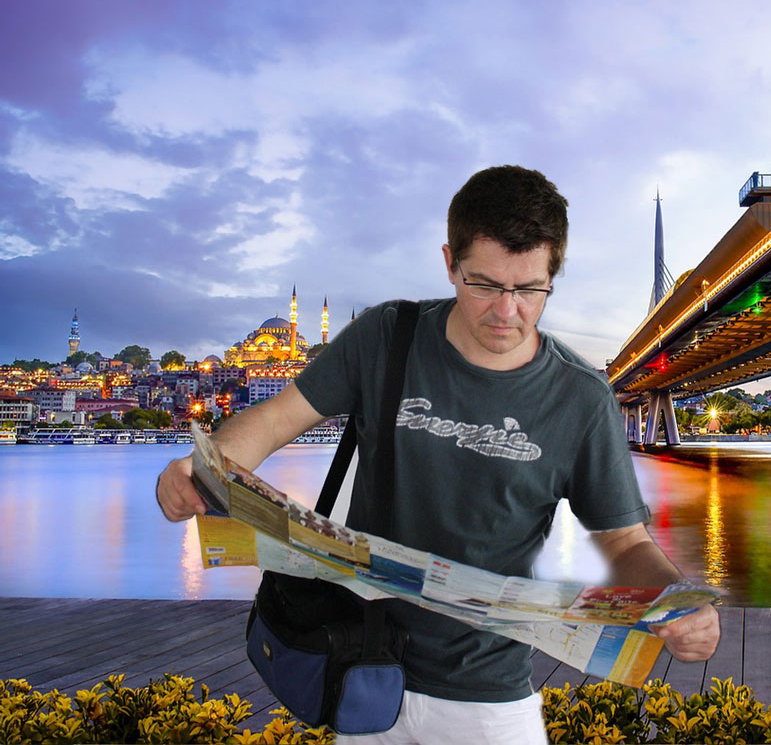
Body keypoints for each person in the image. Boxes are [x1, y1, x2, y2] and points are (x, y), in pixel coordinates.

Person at [156, 165, 720, 744]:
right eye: (484, 284)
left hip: (489, 691)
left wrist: (676, 599)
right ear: (450, 262)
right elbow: (275, 420)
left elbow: (625, 542)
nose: (507, 312)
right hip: (365, 663)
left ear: (554, 275)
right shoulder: (386, 336)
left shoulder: (581, 398)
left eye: (529, 289)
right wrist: (202, 467)